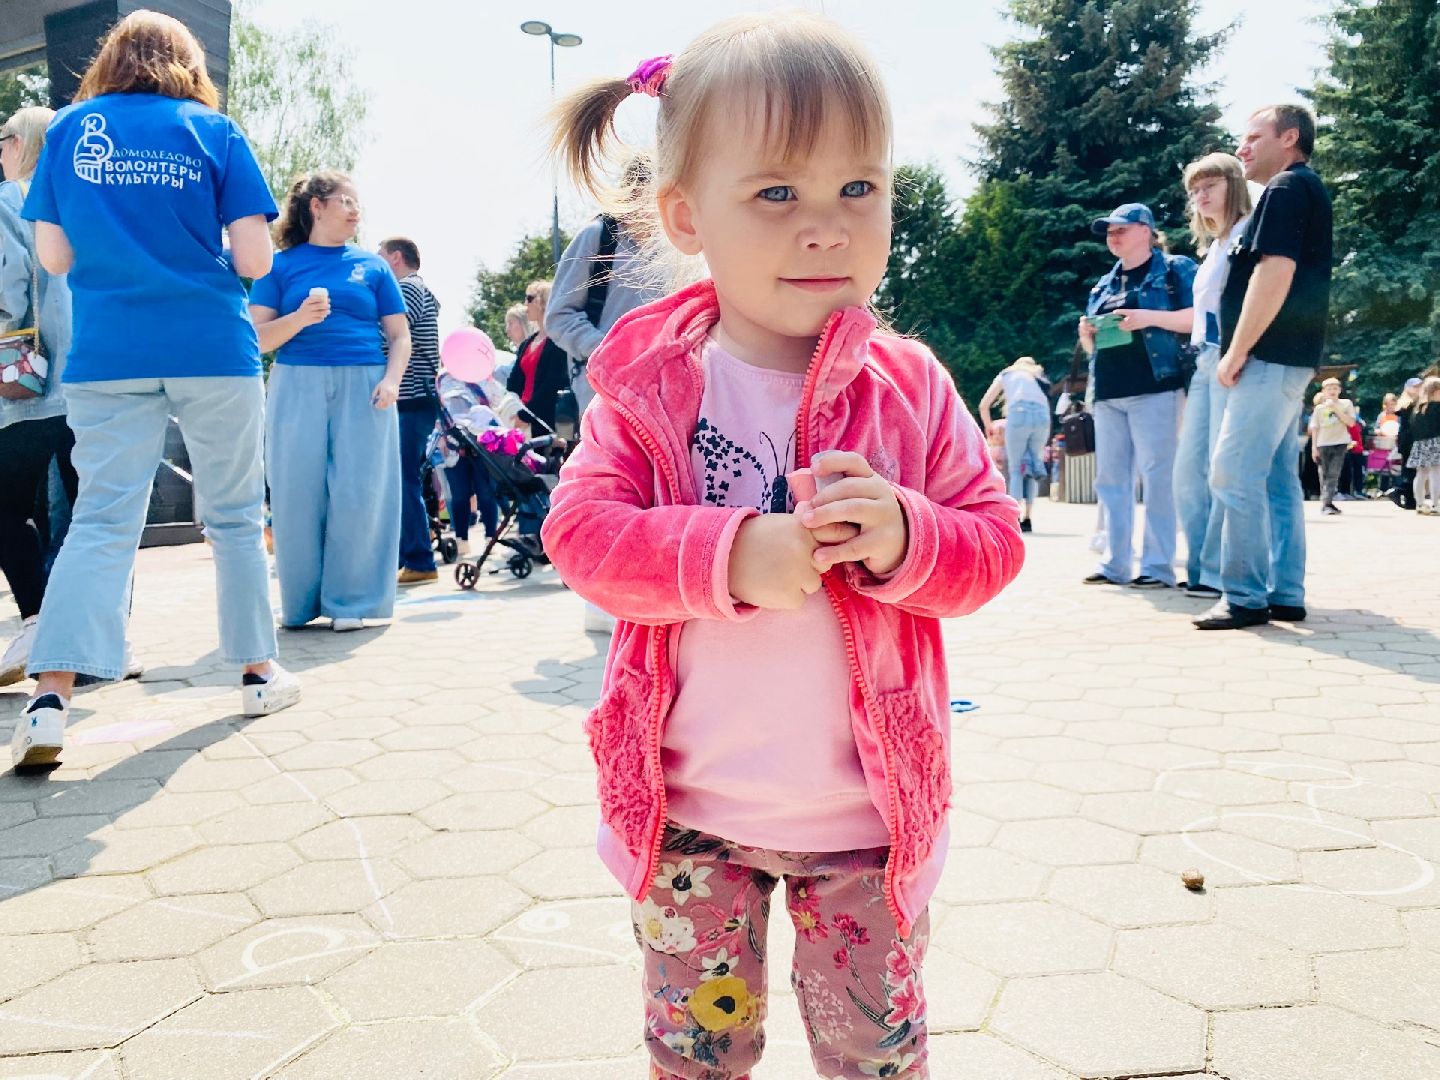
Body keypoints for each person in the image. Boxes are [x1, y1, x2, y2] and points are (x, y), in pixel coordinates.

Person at [541, 16, 1025, 1079]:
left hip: (865, 819)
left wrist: (909, 533)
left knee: (874, 1057)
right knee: (700, 1053)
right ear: (686, 215)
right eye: (776, 195)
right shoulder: (648, 383)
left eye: (859, 190)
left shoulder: (913, 386)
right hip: (688, 824)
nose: (827, 229)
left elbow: (991, 543)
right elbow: (580, 535)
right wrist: (725, 555)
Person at [12, 11, 301, 767]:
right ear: (185, 63)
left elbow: (55, 255)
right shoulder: (214, 132)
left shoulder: (72, 131)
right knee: (235, 516)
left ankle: (50, 699)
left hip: (110, 352)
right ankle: (258, 672)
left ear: (111, 60)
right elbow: (253, 261)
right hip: (212, 345)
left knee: (102, 521)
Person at [249, 172, 411, 633]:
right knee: (295, 490)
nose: (355, 209)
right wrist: (300, 319)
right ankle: (300, 604)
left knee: (360, 492)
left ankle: (353, 601)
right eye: (345, 200)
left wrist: (392, 381)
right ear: (315, 207)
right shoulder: (277, 267)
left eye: (357, 201)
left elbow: (400, 336)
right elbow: (256, 338)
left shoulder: (374, 267)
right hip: (296, 381)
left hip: (365, 381)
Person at [1198, 104, 1333, 630]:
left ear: (1290, 137)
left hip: (1269, 358)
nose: (1242, 147)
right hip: (1286, 358)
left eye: (1255, 137)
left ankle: (1245, 597)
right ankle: (1285, 592)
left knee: (1231, 473)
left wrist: (1235, 351)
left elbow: (1274, 271)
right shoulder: (1305, 187)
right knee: (1275, 480)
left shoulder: (1283, 189)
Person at [1077, 203, 1195, 589]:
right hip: (1109, 393)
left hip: (1156, 388)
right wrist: (1088, 339)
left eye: (1121, 228)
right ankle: (1115, 564)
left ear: (1146, 230)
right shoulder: (1103, 285)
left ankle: (1158, 567)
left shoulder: (1175, 270)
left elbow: (1199, 317)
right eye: (1109, 230)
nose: (1113, 235)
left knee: (1158, 478)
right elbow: (1100, 348)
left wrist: (1148, 317)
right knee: (1112, 480)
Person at [1, 106, 75, 687]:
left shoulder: (9, 198)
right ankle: (99, 639)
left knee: (6, 508)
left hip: (26, 385)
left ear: (19, 144)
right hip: (96, 383)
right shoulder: (82, 201)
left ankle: (37, 619)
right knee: (94, 516)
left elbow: (8, 289)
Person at [1172, 153, 1252, 601]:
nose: (1201, 196)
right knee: (1189, 472)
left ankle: (1219, 573)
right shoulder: (1214, 247)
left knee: (1220, 468)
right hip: (1204, 359)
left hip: (1227, 355)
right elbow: (1198, 317)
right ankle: (1203, 568)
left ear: (1232, 185)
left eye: (1210, 186)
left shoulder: (1246, 235)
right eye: (1195, 190)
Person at [545, 155, 667, 416]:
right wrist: (609, 352)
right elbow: (559, 316)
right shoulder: (597, 237)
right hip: (604, 394)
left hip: (662, 392)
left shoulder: (673, 250)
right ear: (634, 191)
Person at [379, 236, 442, 585]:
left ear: (397, 259)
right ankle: (412, 556)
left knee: (401, 479)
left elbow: (388, 334)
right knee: (403, 478)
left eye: (381, 258)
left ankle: (419, 559)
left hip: (410, 399)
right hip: (417, 400)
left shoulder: (407, 290)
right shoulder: (420, 290)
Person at [978, 356, 1050, 533]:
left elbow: (984, 405)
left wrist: (990, 429)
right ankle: (1029, 518)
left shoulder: (1006, 374)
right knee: (1032, 467)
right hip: (1042, 418)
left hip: (1018, 414)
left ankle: (1015, 518)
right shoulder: (1038, 378)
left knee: (1016, 469)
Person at [506, 281, 568, 434]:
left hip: (548, 422)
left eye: (529, 298)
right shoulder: (526, 344)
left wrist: (526, 415)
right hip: (523, 421)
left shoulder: (558, 340)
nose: (525, 304)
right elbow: (514, 383)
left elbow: (553, 384)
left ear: (543, 302)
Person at [1309, 378, 1356, 515]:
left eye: (1335, 388)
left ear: (1340, 390)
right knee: (1323, 474)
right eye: (1329, 389)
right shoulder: (1319, 408)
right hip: (1323, 443)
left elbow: (1351, 423)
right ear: (1323, 392)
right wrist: (1314, 447)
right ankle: (1326, 502)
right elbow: (1315, 428)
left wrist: (1334, 408)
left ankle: (1327, 503)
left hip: (1340, 443)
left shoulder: (1346, 404)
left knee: (1334, 474)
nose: (1332, 391)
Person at [1408, 375, 1440, 514]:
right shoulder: (1438, 407)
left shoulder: (1418, 408)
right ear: (1435, 391)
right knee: (1435, 473)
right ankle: (1435, 504)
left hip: (1419, 443)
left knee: (1420, 474)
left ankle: (1419, 504)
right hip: (1436, 441)